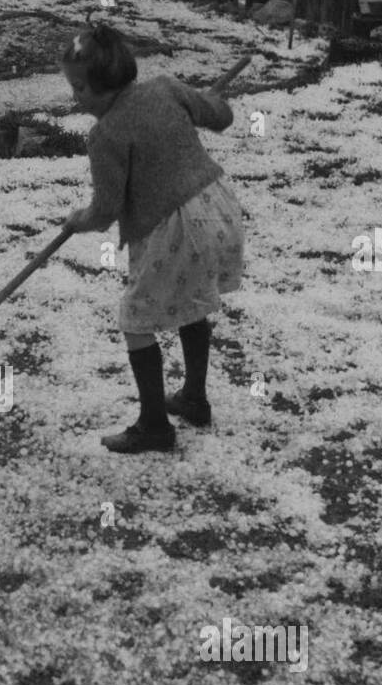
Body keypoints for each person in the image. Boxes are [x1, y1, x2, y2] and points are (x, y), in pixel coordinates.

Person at [61, 22, 246, 453]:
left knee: (135, 320)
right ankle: (194, 399)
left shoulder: (105, 135)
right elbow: (221, 117)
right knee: (191, 297)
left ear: (102, 86)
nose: (75, 96)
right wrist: (210, 102)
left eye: (79, 87)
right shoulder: (166, 88)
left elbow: (106, 210)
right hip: (215, 209)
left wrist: (78, 221)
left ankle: (155, 426)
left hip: (174, 230)